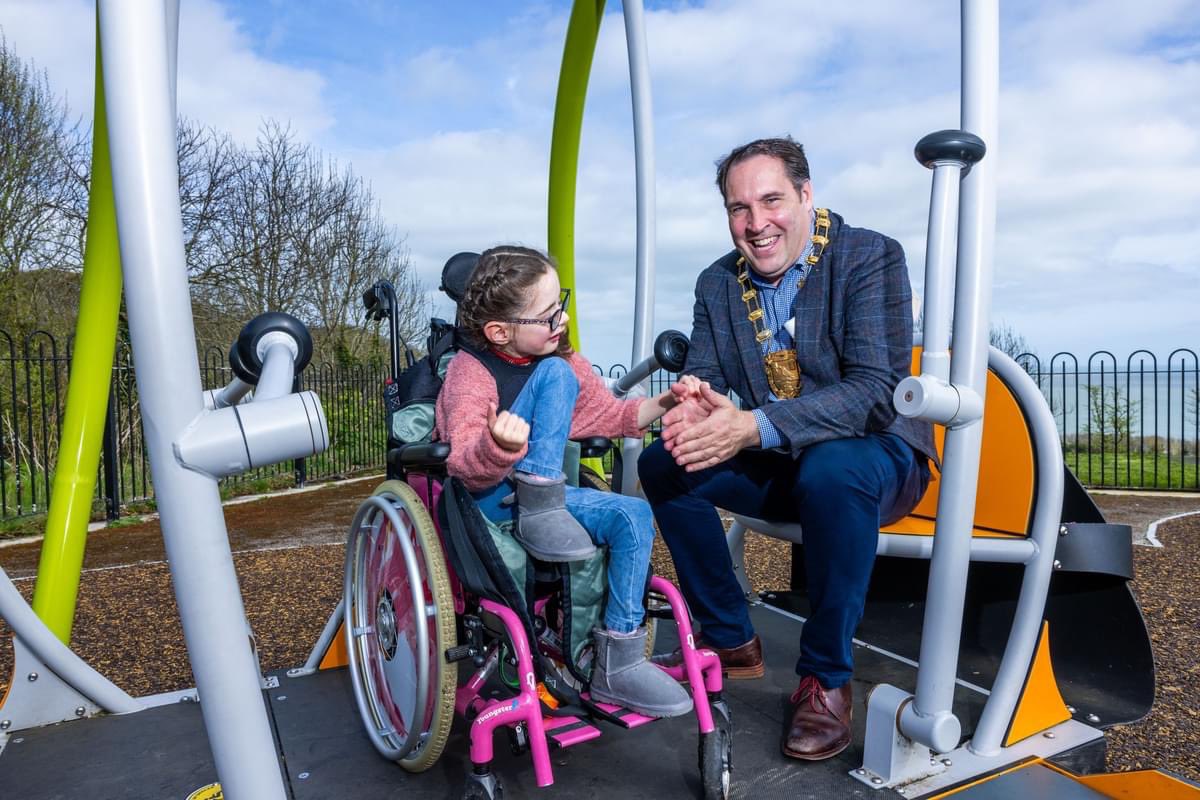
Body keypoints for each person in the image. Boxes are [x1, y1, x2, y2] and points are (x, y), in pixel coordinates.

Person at [637, 137, 937, 760]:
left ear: (805, 194)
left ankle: (826, 678)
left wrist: (750, 427)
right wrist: (694, 403)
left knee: (832, 469)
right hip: (784, 463)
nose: (756, 223)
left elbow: (876, 391)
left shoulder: (870, 257)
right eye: (738, 208)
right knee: (663, 461)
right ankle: (728, 638)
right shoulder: (717, 283)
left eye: (771, 200)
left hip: (875, 459)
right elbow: (708, 372)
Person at [435, 244, 699, 719]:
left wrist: (668, 403)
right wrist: (497, 444)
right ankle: (540, 507)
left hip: (549, 500)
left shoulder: (564, 360)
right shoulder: (468, 372)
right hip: (490, 504)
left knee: (633, 513)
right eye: (547, 314)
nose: (561, 320)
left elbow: (608, 414)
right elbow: (462, 464)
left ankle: (617, 663)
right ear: (499, 331)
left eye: (562, 304)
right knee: (556, 372)